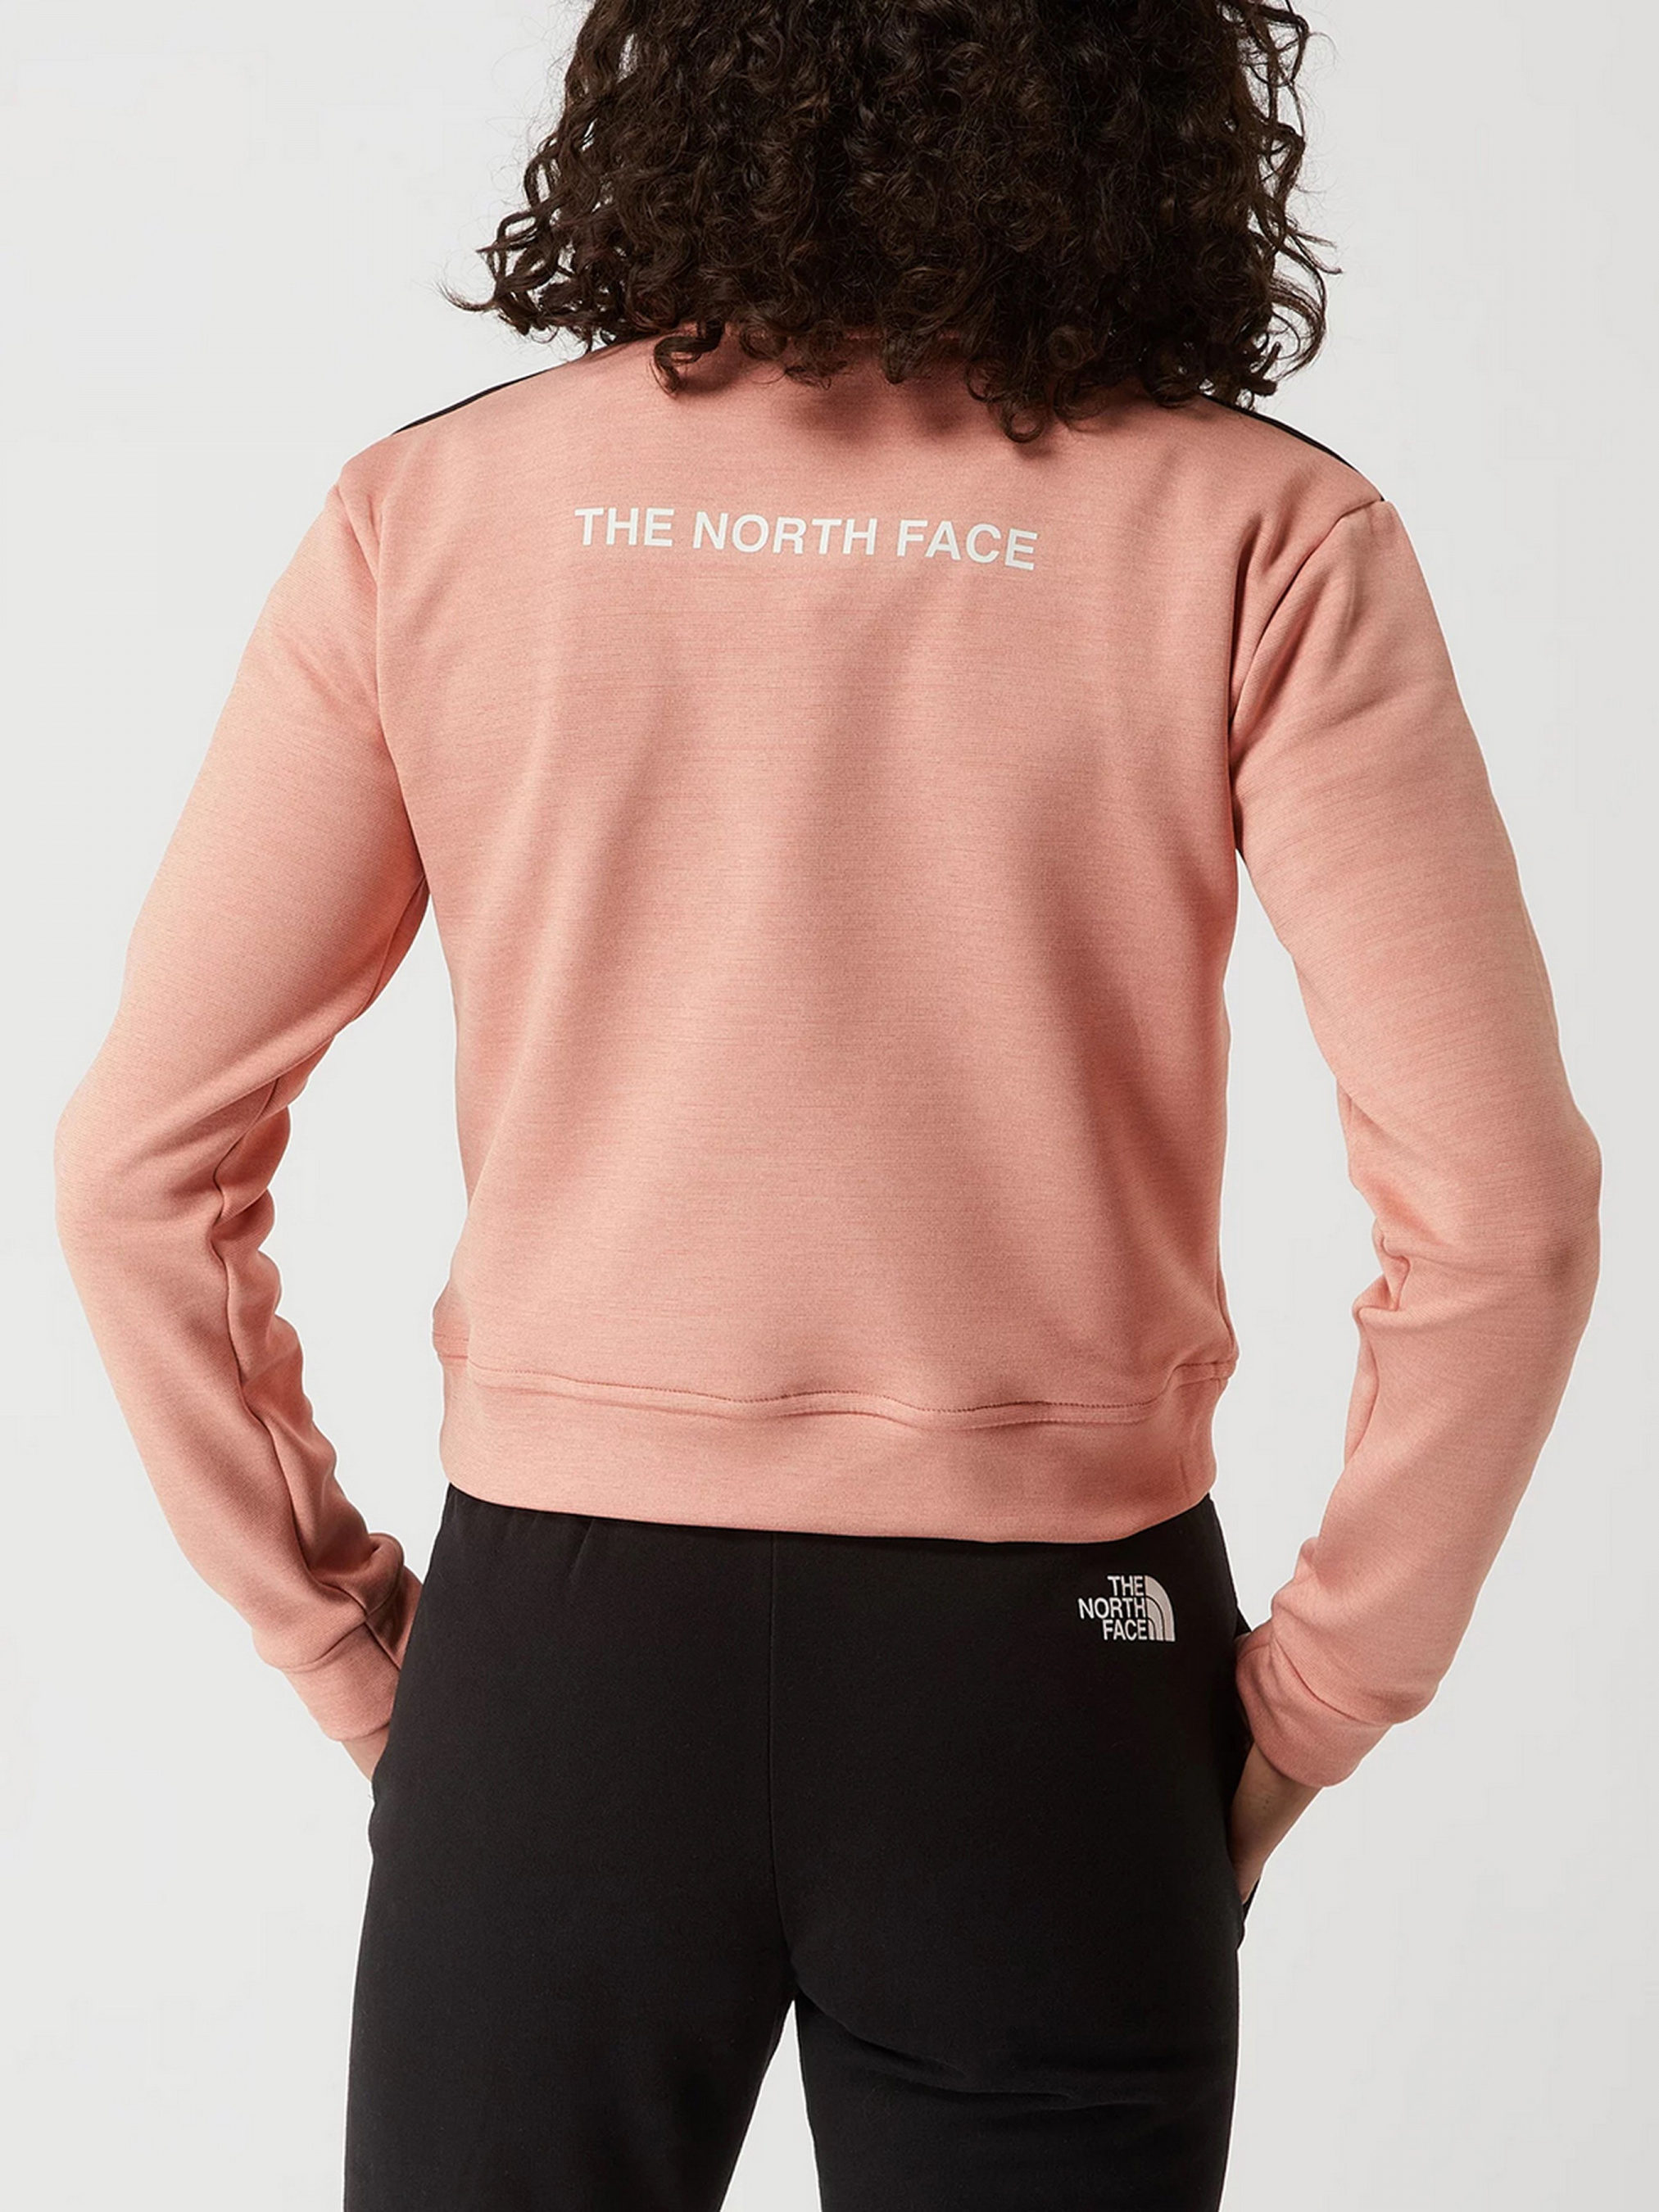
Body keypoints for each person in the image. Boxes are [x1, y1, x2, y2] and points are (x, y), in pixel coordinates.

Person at [52, 4, 1601, 2208]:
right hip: (1057, 1669)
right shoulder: (1259, 530)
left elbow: (140, 1169)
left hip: (556, 1670)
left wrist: (360, 1650)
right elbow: (1506, 1218)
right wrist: (1313, 1706)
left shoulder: (438, 514)